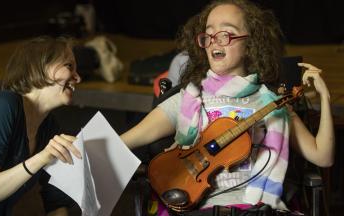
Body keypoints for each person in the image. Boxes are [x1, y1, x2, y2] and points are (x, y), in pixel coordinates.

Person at [121, 0, 334, 215]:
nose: (215, 42)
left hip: (258, 209)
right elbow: (124, 141)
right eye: (210, 34)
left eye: (227, 34)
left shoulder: (272, 103)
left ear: (250, 44)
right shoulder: (188, 99)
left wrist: (325, 98)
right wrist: (88, 146)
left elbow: (323, 156)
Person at [0, 36, 83, 216]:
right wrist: (41, 158)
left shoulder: (49, 128)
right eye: (69, 66)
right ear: (38, 67)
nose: (77, 78)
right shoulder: (4, 107)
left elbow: (55, 201)